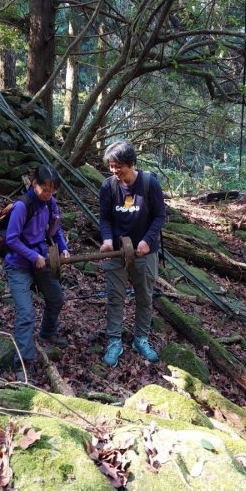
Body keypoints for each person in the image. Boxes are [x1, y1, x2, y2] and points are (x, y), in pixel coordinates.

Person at [99, 140, 165, 368]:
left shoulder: (149, 184)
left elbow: (160, 216)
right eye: (111, 166)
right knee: (115, 296)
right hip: (117, 251)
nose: (115, 171)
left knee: (144, 296)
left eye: (119, 166)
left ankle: (141, 338)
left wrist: (147, 241)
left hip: (144, 253)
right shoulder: (108, 187)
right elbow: (105, 218)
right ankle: (114, 341)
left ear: (130, 163)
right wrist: (107, 240)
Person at [4, 164, 70, 380]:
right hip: (19, 265)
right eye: (45, 190)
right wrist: (33, 257)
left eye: (52, 191)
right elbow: (11, 239)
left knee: (56, 298)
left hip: (41, 260)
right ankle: (23, 363)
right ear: (34, 184)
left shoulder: (50, 203)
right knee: (25, 314)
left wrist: (63, 248)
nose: (48, 194)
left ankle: (47, 333)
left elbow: (56, 228)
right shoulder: (23, 206)